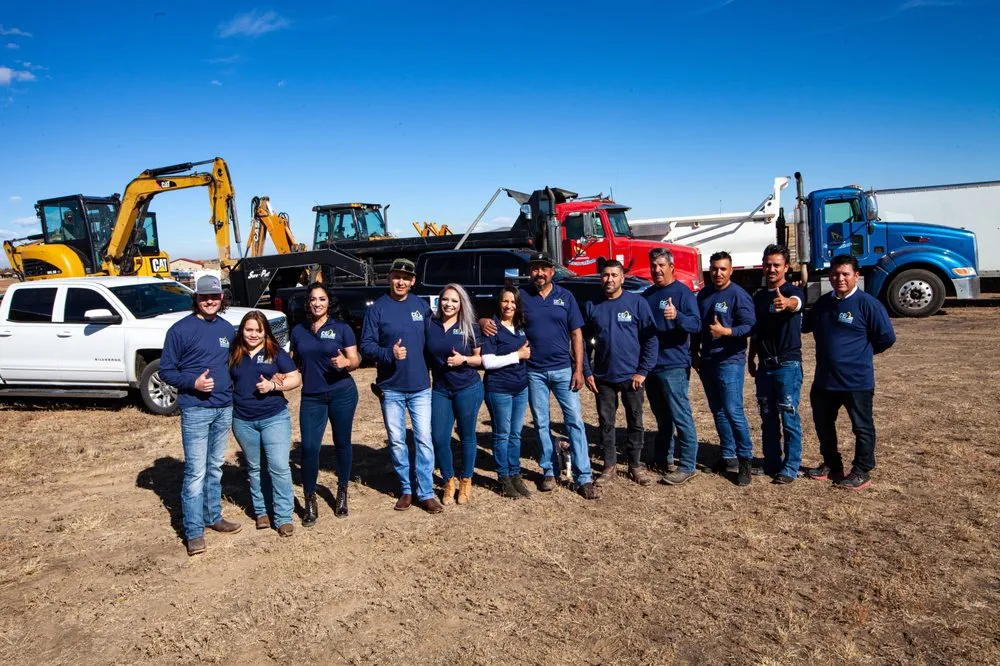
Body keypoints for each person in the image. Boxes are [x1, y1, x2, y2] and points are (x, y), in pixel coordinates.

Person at [480, 252, 597, 500]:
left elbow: (577, 335)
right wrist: (482, 321)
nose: (539, 273)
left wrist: (579, 369)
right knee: (541, 423)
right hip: (533, 372)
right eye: (535, 269)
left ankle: (584, 476)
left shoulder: (566, 297)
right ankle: (549, 471)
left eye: (544, 269)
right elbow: (502, 315)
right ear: (530, 272)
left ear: (552, 272)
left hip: (564, 369)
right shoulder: (523, 297)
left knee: (574, 420)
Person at [159, 274, 240, 556]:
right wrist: (193, 383)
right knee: (196, 471)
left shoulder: (227, 329)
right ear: (195, 298)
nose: (210, 300)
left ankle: (213, 516)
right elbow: (166, 371)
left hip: (223, 407)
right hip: (195, 409)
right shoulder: (179, 330)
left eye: (214, 296)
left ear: (221, 299)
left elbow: (236, 363)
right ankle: (194, 531)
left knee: (215, 466)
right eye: (204, 296)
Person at [803, 254, 896, 490]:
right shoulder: (823, 304)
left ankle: (862, 470)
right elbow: (804, 326)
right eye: (835, 274)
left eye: (845, 274)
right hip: (825, 381)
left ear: (856, 276)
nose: (839, 278)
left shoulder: (868, 304)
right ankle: (832, 465)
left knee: (861, 427)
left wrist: (860, 355)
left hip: (856, 382)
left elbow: (886, 338)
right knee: (823, 425)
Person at [360, 258, 444, 513]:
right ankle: (406, 489)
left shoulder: (421, 307)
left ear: (413, 281)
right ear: (389, 277)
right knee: (397, 440)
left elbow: (436, 340)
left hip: (420, 387)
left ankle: (426, 492)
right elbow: (366, 345)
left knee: (423, 439)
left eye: (406, 278)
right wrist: (388, 354)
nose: (401, 281)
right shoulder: (377, 309)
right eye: (397, 276)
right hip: (391, 388)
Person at [583, 260, 658, 487]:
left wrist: (642, 371)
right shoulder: (591, 305)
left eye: (615, 275)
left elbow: (651, 339)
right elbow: (582, 342)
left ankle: (635, 465)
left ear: (623, 278)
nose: (610, 279)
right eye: (605, 275)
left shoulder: (637, 303)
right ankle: (609, 466)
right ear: (600, 278)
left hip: (632, 377)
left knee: (635, 420)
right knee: (606, 422)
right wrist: (587, 371)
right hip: (603, 377)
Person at [290, 283, 360, 524]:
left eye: (322, 298)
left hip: (342, 392)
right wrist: (280, 376)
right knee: (309, 448)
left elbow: (356, 359)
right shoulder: (298, 331)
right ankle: (310, 499)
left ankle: (342, 492)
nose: (317, 303)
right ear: (307, 303)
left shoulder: (342, 328)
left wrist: (347, 363)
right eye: (313, 299)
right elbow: (293, 363)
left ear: (329, 301)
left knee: (342, 443)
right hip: (312, 396)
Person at [229, 311, 301, 536]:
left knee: (278, 466)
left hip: (274, 417)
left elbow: (295, 378)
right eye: (248, 330)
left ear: (265, 332)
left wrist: (273, 386)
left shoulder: (275, 352)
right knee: (255, 467)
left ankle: (283, 516)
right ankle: (261, 511)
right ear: (242, 330)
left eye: (258, 330)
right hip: (243, 420)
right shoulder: (233, 353)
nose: (253, 335)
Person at [693, 251, 757, 486]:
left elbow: (749, 326)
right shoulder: (704, 295)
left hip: (730, 361)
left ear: (730, 270)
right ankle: (727, 455)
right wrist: (694, 353)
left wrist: (727, 332)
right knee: (718, 411)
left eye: (723, 269)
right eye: (714, 269)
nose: (718, 273)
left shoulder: (738, 295)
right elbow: (697, 327)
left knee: (733, 410)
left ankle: (745, 460)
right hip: (708, 361)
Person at [641, 248, 701, 486]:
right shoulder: (647, 295)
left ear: (671, 267)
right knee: (662, 417)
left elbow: (696, 325)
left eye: (661, 265)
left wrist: (677, 316)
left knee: (680, 415)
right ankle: (663, 458)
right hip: (651, 366)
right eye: (654, 266)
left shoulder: (682, 293)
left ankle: (687, 465)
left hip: (674, 365)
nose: (657, 270)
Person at [748, 244, 805, 485]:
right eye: (768, 264)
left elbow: (796, 303)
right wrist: (751, 356)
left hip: (787, 365)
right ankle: (771, 461)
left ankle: (791, 466)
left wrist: (788, 303)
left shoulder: (793, 291)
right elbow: (757, 331)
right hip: (765, 365)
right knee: (767, 416)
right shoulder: (760, 296)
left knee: (789, 416)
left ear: (786, 267)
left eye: (777, 265)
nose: (771, 269)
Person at [425, 284, 484, 505]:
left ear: (462, 304)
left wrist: (464, 360)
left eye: (454, 301)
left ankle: (466, 481)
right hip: (441, 389)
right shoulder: (430, 325)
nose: (449, 304)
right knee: (440, 437)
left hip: (467, 387)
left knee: (467, 436)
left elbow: (480, 360)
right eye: (445, 300)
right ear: (439, 302)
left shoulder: (470, 326)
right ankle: (449, 481)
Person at [480, 287, 532, 499]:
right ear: (499, 303)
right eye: (505, 301)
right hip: (499, 389)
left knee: (515, 434)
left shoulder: (519, 327)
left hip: (520, 388)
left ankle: (515, 472)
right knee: (502, 434)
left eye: (513, 302)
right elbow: (487, 361)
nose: (509, 305)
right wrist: (517, 355)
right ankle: (503, 478)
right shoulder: (493, 327)